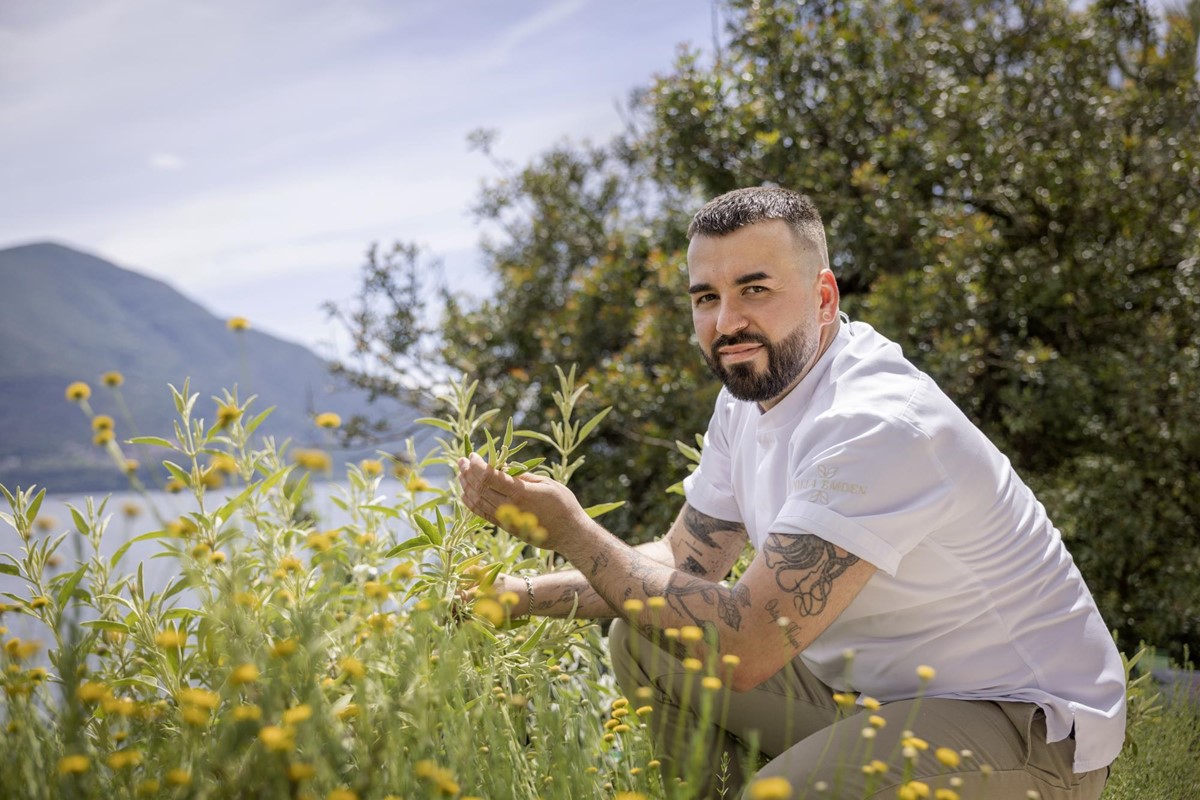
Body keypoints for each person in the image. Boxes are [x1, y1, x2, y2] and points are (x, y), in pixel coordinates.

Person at [457, 186, 1125, 799]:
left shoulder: (874, 423)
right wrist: (517, 596)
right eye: (705, 298)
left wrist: (571, 529)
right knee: (645, 638)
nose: (726, 322)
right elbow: (683, 564)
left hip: (1026, 726)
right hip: (872, 695)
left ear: (824, 297)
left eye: (755, 289)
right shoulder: (750, 400)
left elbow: (746, 648)